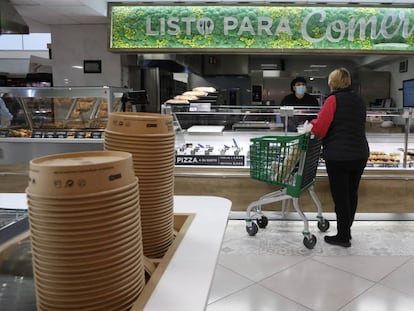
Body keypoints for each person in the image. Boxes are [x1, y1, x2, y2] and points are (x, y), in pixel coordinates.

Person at [305, 67, 369, 248]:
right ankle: (346, 228)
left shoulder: (333, 100)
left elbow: (320, 129)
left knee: (341, 197)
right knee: (351, 193)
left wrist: (311, 124)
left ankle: (343, 236)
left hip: (339, 156)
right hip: (360, 153)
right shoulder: (359, 100)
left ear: (333, 83)